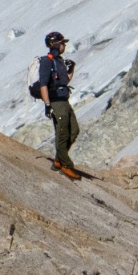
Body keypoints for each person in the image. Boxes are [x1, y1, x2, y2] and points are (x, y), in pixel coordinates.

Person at [32, 30, 81, 177]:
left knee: (74, 130)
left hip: (64, 100)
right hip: (55, 101)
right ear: (55, 45)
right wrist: (47, 104)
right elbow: (43, 85)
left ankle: (59, 159)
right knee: (63, 132)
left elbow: (65, 80)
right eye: (62, 43)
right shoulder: (46, 62)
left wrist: (71, 69)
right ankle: (66, 165)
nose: (64, 46)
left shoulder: (59, 61)